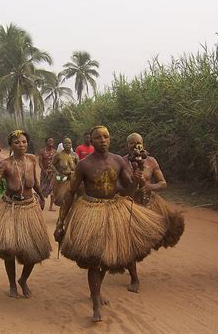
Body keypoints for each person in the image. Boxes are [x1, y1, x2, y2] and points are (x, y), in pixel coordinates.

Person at [54, 126, 167, 322]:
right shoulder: (83, 164)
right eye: (98, 137)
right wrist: (61, 221)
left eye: (106, 137)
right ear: (92, 140)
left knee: (107, 257)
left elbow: (128, 192)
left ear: (110, 139)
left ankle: (96, 291)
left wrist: (137, 180)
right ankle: (96, 302)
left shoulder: (118, 161)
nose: (102, 140)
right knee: (93, 260)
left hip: (114, 210)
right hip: (90, 211)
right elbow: (71, 192)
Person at [0, 130, 51, 299]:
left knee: (34, 250)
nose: (21, 145)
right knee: (9, 250)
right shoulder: (6, 164)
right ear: (11, 145)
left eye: (24, 142)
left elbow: (35, 182)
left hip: (30, 209)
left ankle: (23, 280)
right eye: (17, 143)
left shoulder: (31, 160)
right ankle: (11, 285)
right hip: (10, 208)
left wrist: (42, 197)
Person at [121, 133, 185, 293]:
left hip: (149, 204)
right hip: (129, 205)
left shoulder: (151, 161)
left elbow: (163, 183)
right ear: (126, 146)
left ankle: (129, 262)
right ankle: (134, 278)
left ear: (143, 144)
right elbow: (118, 185)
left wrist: (150, 187)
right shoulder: (121, 162)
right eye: (132, 143)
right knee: (129, 242)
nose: (136, 146)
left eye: (139, 143)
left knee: (147, 240)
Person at [51, 138, 79, 206]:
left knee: (73, 200)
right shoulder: (58, 155)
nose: (67, 145)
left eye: (69, 143)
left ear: (71, 144)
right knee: (62, 200)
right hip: (62, 179)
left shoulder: (75, 155)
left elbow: (78, 167)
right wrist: (57, 173)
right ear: (63, 145)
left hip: (72, 180)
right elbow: (52, 165)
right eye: (66, 143)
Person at [38, 137, 57, 211]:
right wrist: (44, 170)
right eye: (49, 141)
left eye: (52, 141)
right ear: (46, 142)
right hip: (44, 174)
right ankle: (41, 204)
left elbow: (56, 163)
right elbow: (40, 162)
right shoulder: (42, 151)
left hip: (52, 174)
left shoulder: (55, 152)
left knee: (53, 190)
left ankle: (51, 206)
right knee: (42, 190)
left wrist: (55, 171)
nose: (51, 142)